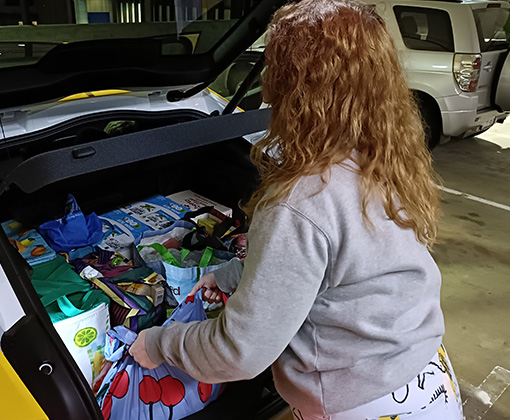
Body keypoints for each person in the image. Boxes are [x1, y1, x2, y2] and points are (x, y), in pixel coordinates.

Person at [129, 0, 463, 418]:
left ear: (293, 86)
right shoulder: (382, 157)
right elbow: (338, 267)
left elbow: (240, 354)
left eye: (273, 67)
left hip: (362, 402)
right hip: (425, 378)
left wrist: (160, 344)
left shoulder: (301, 201)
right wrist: (230, 274)